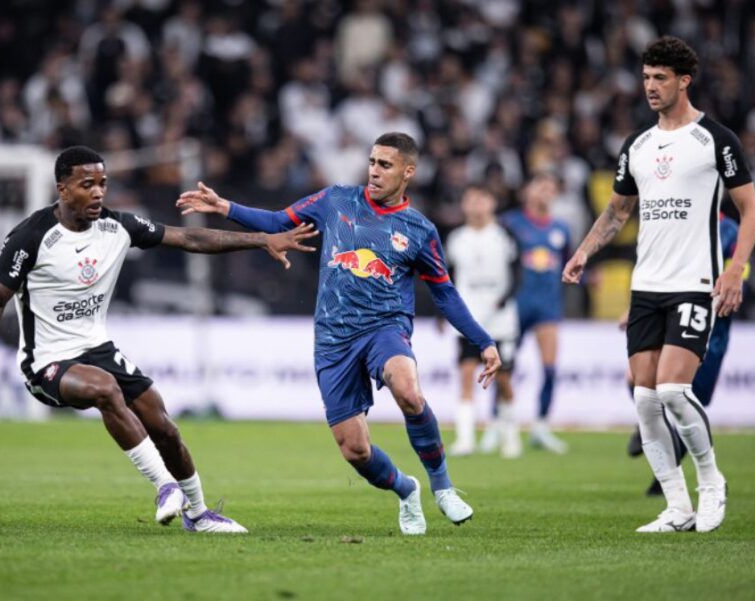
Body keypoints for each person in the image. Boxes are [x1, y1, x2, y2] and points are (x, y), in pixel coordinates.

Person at [0, 145, 318, 534]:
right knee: (104, 390)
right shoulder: (29, 238)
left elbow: (190, 238)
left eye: (103, 183)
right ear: (63, 189)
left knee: (163, 424)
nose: (98, 192)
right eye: (87, 185)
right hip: (46, 362)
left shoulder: (116, 227)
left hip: (98, 350)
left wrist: (260, 240)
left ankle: (200, 515)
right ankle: (164, 487)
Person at [176, 132, 502, 536]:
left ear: (408, 172)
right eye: (372, 162)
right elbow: (279, 222)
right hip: (333, 337)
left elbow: (445, 293)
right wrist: (224, 206)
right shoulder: (336, 200)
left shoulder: (419, 230)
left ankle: (443, 487)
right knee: (355, 449)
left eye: (385, 164)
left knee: (408, 390)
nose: (375, 171)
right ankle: (406, 490)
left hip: (385, 327)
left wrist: (484, 340)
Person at [563, 37, 755, 533]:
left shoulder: (715, 139)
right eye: (646, 77)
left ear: (684, 80)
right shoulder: (638, 145)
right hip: (645, 286)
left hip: (695, 283)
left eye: (660, 78)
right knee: (645, 398)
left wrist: (734, 269)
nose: (650, 87)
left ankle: (712, 482)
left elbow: (751, 210)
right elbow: (616, 211)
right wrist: (584, 251)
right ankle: (677, 505)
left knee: (674, 389)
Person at [624, 214, 747, 496]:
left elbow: (739, 278)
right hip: (668, 315)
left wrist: (727, 285)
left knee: (687, 399)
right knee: (642, 381)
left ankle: (695, 474)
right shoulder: (673, 219)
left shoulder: (729, 231)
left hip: (711, 325)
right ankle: (668, 478)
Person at [443, 185, 522, 458]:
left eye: (481, 199)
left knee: (504, 379)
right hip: (468, 320)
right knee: (466, 375)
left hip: (500, 321)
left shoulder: (504, 236)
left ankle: (510, 437)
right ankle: (465, 439)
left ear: (492, 202)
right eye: (470, 199)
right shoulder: (456, 238)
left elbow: (517, 273)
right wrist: (445, 312)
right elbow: (446, 279)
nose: (475, 205)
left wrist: (503, 300)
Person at [500, 174, 571, 454]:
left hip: (547, 307)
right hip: (514, 305)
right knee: (504, 365)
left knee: (550, 367)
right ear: (526, 191)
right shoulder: (510, 223)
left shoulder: (561, 228)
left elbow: (567, 264)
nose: (546, 191)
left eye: (551, 187)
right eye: (540, 185)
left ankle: (541, 425)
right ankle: (499, 422)